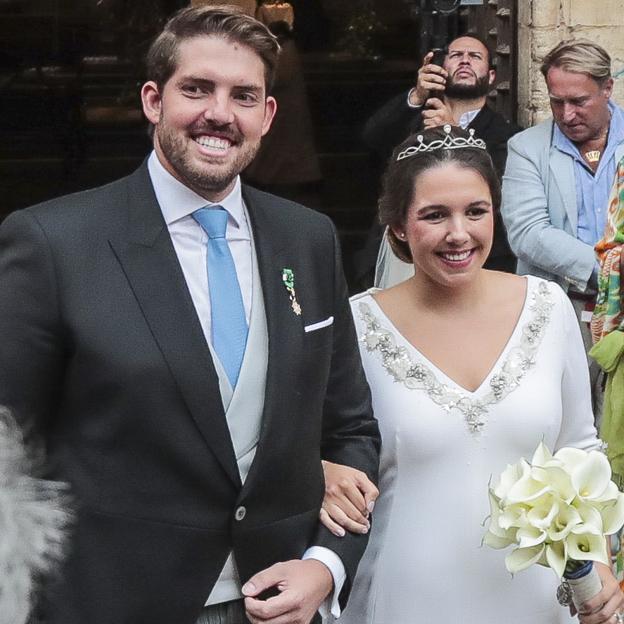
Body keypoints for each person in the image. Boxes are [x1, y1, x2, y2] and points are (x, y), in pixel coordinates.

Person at [0, 7, 380, 624]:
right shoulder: (53, 243)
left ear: (267, 115)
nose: (220, 114)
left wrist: (325, 565)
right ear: (153, 100)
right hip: (111, 602)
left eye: (244, 95)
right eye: (197, 89)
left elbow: (350, 430)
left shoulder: (308, 239)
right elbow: (9, 453)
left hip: (277, 600)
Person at [320, 125, 624, 623]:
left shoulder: (547, 307)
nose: (458, 234)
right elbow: (318, 447)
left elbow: (579, 449)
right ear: (398, 225)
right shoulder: (356, 327)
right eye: (434, 215)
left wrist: (598, 564)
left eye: (475, 212)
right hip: (405, 596)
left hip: (538, 600)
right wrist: (321, 469)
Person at [501, 39, 624, 419]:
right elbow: (527, 232)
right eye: (557, 102)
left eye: (579, 101)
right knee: (567, 427)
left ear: (607, 88)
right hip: (563, 307)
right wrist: (610, 272)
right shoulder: (526, 148)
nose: (566, 114)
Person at [355, 34, 521, 289]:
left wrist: (456, 134)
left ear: (490, 77)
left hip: (468, 260)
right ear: (440, 68)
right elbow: (372, 138)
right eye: (456, 56)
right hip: (401, 256)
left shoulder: (507, 135)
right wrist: (416, 95)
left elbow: (498, 189)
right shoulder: (414, 116)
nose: (464, 61)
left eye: (474, 57)